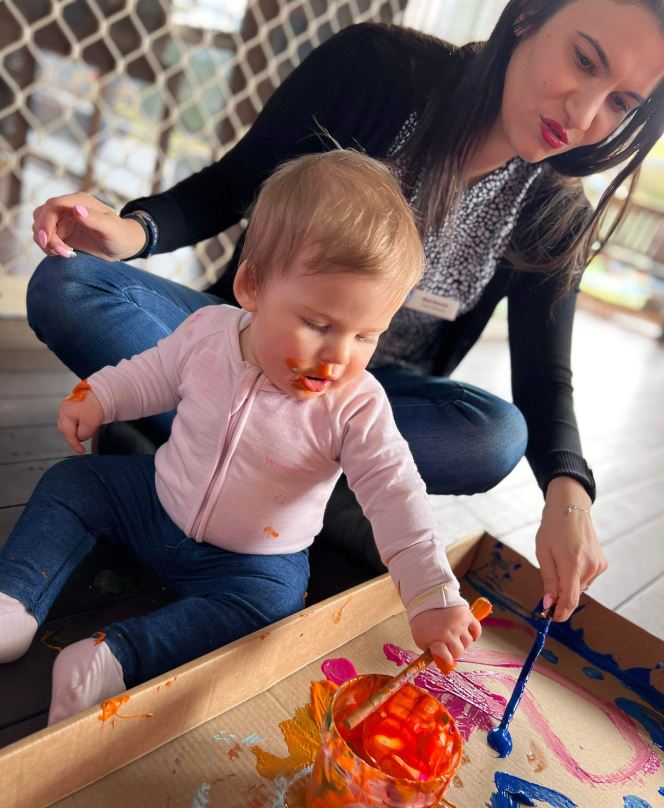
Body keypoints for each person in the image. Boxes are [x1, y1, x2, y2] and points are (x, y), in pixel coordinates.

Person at [27, 0, 664, 622]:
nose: (583, 115)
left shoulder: (555, 213)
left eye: (620, 104)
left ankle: (215, 454)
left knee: (495, 436)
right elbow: (229, 186)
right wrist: (131, 233)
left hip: (363, 407)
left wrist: (569, 497)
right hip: (246, 349)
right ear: (528, 16)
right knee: (68, 286)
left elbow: (544, 382)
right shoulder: (377, 69)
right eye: (583, 60)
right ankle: (294, 484)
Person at [0, 150, 482, 724]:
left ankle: (110, 662)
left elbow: (398, 498)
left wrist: (431, 597)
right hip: (156, 500)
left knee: (273, 609)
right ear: (252, 285)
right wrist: (102, 396)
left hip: (252, 561)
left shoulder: (357, 406)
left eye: (365, 336)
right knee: (71, 482)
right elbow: (154, 372)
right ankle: (15, 602)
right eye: (318, 325)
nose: (337, 356)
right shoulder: (208, 331)